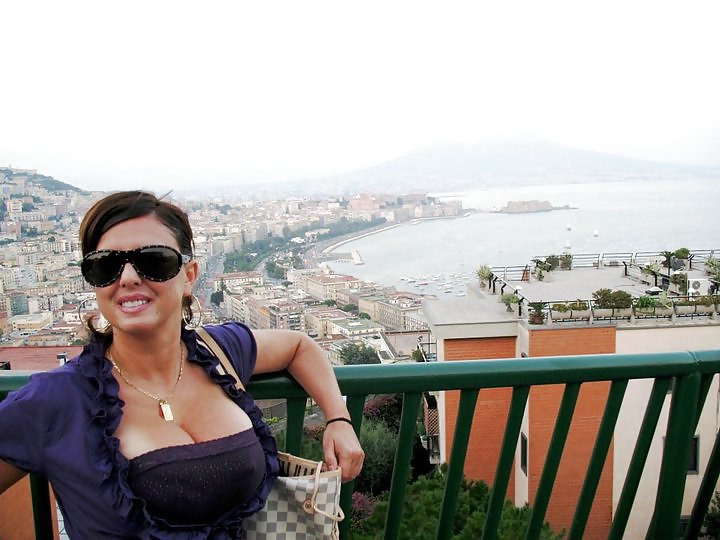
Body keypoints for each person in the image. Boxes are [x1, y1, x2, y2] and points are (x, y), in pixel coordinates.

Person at [0, 190, 364, 538]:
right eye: (105, 265)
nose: (128, 278)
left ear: (189, 275)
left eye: (154, 261)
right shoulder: (57, 399)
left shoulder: (218, 352)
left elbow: (299, 346)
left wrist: (338, 419)